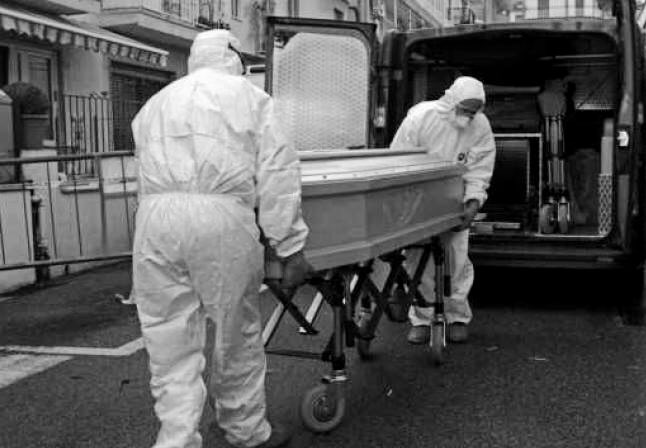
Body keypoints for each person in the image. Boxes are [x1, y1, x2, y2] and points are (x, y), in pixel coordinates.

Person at [131, 29, 311, 448]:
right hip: (219, 216)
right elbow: (278, 173)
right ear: (233, 58)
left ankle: (175, 439)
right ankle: (245, 430)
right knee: (235, 332)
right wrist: (290, 246)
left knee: (167, 338)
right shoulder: (250, 98)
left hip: (155, 219)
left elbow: (143, 170)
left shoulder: (155, 103)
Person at [389, 76, 496, 344]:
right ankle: (422, 319)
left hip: (454, 200)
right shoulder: (421, 118)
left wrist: (473, 201)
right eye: (464, 110)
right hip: (418, 199)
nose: (468, 117)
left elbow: (480, 167)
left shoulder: (480, 125)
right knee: (418, 260)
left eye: (473, 112)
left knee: (456, 260)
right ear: (451, 102)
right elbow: (398, 159)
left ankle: (457, 316)